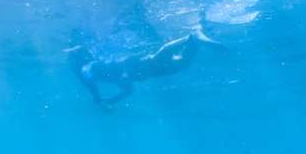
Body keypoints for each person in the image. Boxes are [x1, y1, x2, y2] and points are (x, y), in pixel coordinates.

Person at [69, 27, 224, 106]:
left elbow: (128, 62)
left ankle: (192, 37)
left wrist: (110, 97)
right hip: (155, 70)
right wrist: (109, 100)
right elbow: (129, 90)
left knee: (168, 56)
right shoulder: (116, 77)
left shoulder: (110, 68)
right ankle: (195, 38)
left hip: (150, 66)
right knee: (182, 62)